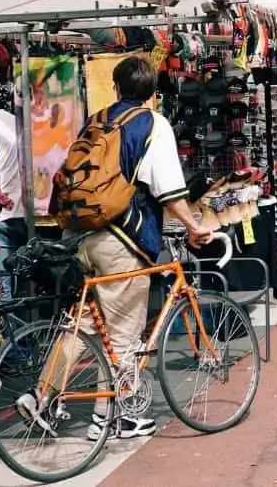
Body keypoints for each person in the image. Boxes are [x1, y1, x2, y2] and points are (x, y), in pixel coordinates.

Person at [58, 57, 216, 441]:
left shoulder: (97, 120)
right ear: (153, 94)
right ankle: (116, 418)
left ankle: (44, 395)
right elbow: (169, 190)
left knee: (84, 323)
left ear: (115, 88)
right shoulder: (152, 124)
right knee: (125, 332)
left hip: (81, 234)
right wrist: (194, 227)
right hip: (122, 238)